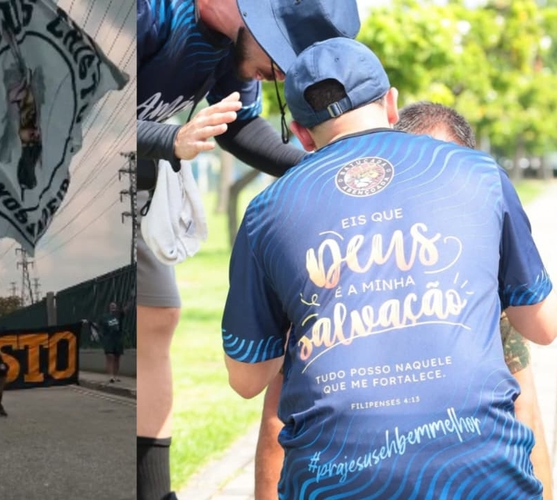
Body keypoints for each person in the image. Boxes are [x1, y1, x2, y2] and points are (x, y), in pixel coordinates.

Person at [222, 37, 556, 498]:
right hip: (484, 480)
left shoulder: (266, 210)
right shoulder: (480, 173)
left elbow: (246, 380)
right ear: (392, 104)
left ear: (300, 132)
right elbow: (541, 326)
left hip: (336, 484)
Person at [136, 2, 361, 498]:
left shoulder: (233, 43)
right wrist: (168, 137)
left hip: (124, 178)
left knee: (157, 318)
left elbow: (238, 125)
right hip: (53, 183)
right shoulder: (148, 14)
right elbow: (60, 114)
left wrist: (321, 167)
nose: (281, 73)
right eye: (281, 54)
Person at [100, 302, 126, 383]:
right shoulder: (105, 317)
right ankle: (111, 376)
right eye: (111, 306)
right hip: (108, 340)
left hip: (118, 339)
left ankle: (115, 376)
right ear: (109, 308)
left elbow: (126, 309)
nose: (113, 307)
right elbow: (99, 327)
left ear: (116, 308)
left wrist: (132, 299)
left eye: (114, 306)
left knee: (117, 358)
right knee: (110, 357)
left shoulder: (119, 316)